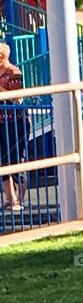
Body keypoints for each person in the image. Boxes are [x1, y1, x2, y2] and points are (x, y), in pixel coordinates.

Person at [0, 42, 27, 210]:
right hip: (0, 122)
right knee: (2, 161)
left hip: (14, 121)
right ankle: (11, 198)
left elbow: (18, 99)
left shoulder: (14, 72)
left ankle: (20, 199)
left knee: (16, 159)